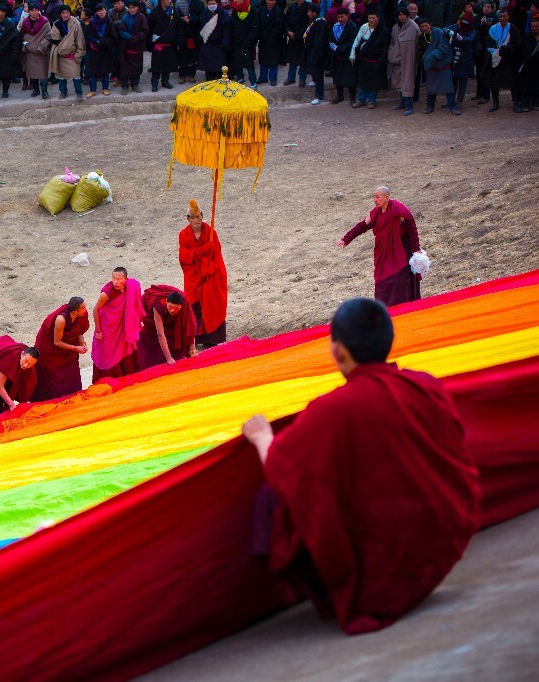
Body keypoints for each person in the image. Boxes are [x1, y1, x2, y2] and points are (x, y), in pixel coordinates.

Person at [243, 298, 481, 634]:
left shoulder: (331, 411)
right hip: (443, 544)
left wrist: (261, 437)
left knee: (272, 498)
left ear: (337, 352)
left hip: (381, 581)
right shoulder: (424, 385)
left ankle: (319, 592)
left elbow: (281, 469)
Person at [336, 186, 425, 307]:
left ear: (386, 197)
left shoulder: (398, 209)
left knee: (398, 281)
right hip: (383, 254)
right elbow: (362, 226)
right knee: (382, 281)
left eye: (377, 197)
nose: (375, 200)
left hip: (400, 253)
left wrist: (416, 250)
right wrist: (346, 238)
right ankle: (385, 310)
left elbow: (412, 230)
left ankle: (404, 310)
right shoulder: (376, 212)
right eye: (374, 197)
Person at [179, 199, 228, 348]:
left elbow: (217, 254)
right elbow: (184, 256)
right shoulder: (184, 235)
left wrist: (213, 267)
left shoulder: (211, 232)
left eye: (199, 216)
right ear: (188, 219)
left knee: (212, 303)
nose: (196, 220)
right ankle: (197, 339)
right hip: (194, 275)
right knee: (194, 304)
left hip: (210, 274)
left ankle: (213, 338)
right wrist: (202, 250)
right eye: (193, 217)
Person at [31, 297, 91, 401]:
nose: (85, 309)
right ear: (75, 311)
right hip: (51, 350)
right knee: (54, 377)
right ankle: (54, 400)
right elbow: (57, 342)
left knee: (71, 372)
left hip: (69, 350)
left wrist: (82, 342)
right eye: (83, 308)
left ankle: (72, 396)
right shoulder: (61, 319)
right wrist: (76, 348)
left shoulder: (82, 315)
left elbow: (79, 332)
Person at [91, 267, 144, 382]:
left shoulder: (131, 287)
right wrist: (99, 331)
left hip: (122, 327)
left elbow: (135, 306)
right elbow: (95, 310)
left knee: (124, 350)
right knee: (108, 354)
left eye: (119, 279)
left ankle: (127, 378)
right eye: (113, 278)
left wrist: (138, 321)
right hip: (107, 328)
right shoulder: (106, 293)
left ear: (126, 279)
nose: (115, 282)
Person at [138, 284, 198, 369]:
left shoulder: (185, 305)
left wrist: (193, 350)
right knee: (150, 343)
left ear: (181, 306)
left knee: (177, 333)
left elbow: (190, 327)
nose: (173, 310)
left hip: (172, 314)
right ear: (166, 301)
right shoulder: (158, 306)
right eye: (170, 307)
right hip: (151, 317)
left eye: (176, 308)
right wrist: (168, 357)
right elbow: (160, 333)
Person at [482, 9, 522, 111]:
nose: (502, 18)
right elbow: (489, 43)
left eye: (504, 16)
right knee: (494, 82)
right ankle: (496, 103)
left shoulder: (513, 29)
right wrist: (496, 52)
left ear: (508, 17)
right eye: (500, 16)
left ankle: (516, 103)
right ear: (498, 17)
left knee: (513, 82)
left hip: (508, 60)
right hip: (495, 59)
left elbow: (517, 45)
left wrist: (505, 50)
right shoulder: (493, 29)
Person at [419, 19, 460, 114]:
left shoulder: (438, 33)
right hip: (431, 66)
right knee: (431, 87)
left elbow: (444, 48)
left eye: (426, 26)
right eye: (422, 26)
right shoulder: (422, 36)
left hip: (442, 63)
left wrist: (431, 57)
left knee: (448, 87)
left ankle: (453, 106)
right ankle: (430, 106)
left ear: (430, 25)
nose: (424, 28)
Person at [350, 7, 389, 108]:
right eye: (370, 18)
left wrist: (382, 60)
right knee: (362, 80)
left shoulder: (383, 30)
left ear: (378, 18)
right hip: (364, 59)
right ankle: (361, 99)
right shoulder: (364, 27)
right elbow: (357, 40)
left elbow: (385, 47)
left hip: (375, 60)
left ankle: (371, 100)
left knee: (373, 82)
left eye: (373, 18)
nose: (371, 20)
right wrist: (353, 55)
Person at [49, 4, 86, 99]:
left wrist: (79, 53)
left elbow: (80, 40)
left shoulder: (75, 23)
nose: (65, 15)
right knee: (61, 76)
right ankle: (63, 92)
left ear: (70, 13)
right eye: (63, 13)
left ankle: (79, 93)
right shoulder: (56, 24)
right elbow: (55, 39)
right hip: (61, 55)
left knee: (76, 76)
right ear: (60, 14)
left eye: (67, 13)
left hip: (73, 55)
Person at [388, 6, 420, 115]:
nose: (401, 17)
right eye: (399, 15)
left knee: (408, 82)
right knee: (399, 80)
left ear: (407, 15)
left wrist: (414, 59)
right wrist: (391, 53)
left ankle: (409, 106)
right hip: (397, 58)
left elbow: (418, 45)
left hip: (409, 59)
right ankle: (402, 102)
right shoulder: (395, 28)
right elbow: (392, 42)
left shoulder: (414, 27)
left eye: (403, 15)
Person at [146, 0, 179, 92]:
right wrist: (150, 43)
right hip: (158, 42)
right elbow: (150, 28)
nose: (169, 1)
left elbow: (177, 26)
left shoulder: (174, 11)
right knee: (157, 65)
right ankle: (154, 83)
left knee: (167, 64)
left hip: (170, 42)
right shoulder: (154, 12)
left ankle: (165, 81)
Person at [21, 3, 52, 98]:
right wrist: (28, 44)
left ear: (38, 11)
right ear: (28, 11)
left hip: (41, 51)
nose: (34, 12)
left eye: (36, 10)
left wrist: (41, 46)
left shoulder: (45, 21)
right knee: (32, 72)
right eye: (32, 10)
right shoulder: (25, 21)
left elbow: (48, 36)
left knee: (43, 73)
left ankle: (44, 91)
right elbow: (23, 34)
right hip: (30, 52)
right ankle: (36, 90)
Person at [83, 4, 115, 96]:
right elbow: (88, 35)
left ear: (106, 10)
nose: (101, 12)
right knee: (93, 70)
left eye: (103, 10)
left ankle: (105, 88)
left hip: (106, 49)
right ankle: (92, 90)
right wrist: (96, 41)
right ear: (96, 12)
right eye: (99, 11)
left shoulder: (109, 22)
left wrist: (104, 42)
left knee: (105, 70)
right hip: (95, 49)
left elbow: (112, 36)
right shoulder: (92, 23)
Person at [197, 0, 231, 82]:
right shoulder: (204, 14)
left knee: (220, 70)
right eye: (209, 4)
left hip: (219, 46)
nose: (211, 6)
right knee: (208, 71)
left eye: (213, 4)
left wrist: (224, 44)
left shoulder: (223, 15)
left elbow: (226, 30)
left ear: (217, 4)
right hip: (207, 45)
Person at [229, 0, 258, 87]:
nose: (236, 1)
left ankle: (253, 81)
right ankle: (240, 77)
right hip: (236, 40)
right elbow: (232, 25)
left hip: (248, 40)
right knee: (237, 60)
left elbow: (255, 27)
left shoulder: (251, 10)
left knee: (249, 62)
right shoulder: (235, 10)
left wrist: (250, 40)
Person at [303, 3, 329, 104]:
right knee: (315, 73)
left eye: (309, 12)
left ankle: (319, 96)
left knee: (318, 74)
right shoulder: (313, 22)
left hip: (318, 54)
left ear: (314, 13)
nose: (308, 13)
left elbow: (318, 43)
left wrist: (314, 55)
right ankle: (315, 81)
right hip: (311, 51)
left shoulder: (320, 24)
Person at [257, 0, 286, 85]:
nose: (270, 2)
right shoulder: (261, 10)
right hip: (263, 39)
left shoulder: (278, 11)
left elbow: (280, 26)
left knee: (274, 60)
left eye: (273, 0)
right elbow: (258, 24)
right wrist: (260, 35)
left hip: (274, 40)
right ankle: (263, 77)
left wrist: (273, 36)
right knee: (263, 59)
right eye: (269, 0)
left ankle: (273, 78)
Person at [283, 0, 311, 86]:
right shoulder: (292, 6)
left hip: (303, 38)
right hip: (292, 36)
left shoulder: (308, 7)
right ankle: (291, 77)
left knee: (303, 59)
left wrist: (297, 35)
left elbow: (308, 24)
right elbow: (286, 20)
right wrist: (288, 31)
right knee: (292, 59)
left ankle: (302, 78)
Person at [521, 17, 539, 111]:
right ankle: (525, 104)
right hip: (527, 66)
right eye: (533, 26)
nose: (534, 28)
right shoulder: (526, 37)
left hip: (538, 67)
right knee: (525, 86)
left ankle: (536, 103)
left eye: (536, 26)